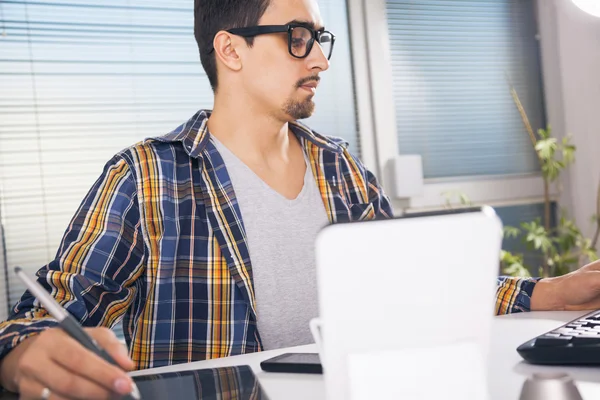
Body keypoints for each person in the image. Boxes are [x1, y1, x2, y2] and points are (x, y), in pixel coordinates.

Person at [1, 0, 600, 398]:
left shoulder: (341, 169)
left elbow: (417, 290)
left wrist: (552, 292)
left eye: (320, 38)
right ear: (231, 50)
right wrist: (23, 354)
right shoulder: (146, 176)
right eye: (296, 38)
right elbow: (40, 319)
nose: (319, 58)